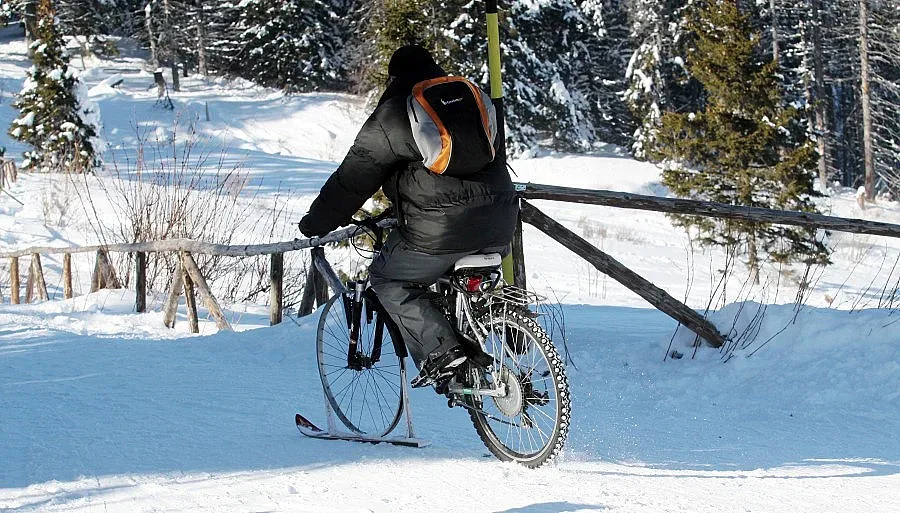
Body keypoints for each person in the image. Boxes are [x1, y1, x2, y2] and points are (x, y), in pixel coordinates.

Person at [298, 45, 518, 388]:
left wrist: (316, 224)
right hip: (502, 222)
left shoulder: (395, 113)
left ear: (394, 77)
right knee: (451, 270)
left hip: (440, 232)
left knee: (390, 279)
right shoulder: (469, 98)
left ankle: (442, 353)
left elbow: (353, 178)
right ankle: (499, 341)